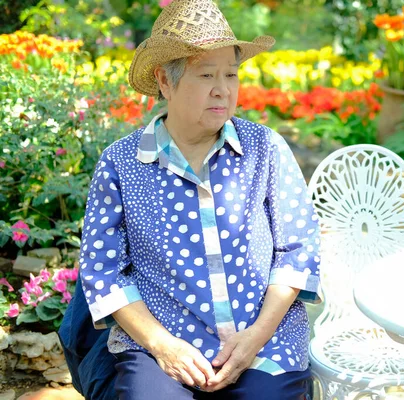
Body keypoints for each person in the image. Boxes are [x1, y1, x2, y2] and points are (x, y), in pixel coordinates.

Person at [59, 0, 322, 398]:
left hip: (263, 340)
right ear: (165, 80)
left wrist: (253, 338)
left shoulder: (265, 148)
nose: (223, 89)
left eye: (231, 74)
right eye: (206, 75)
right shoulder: (121, 163)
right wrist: (163, 346)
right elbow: (104, 272)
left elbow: (298, 251)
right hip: (161, 347)